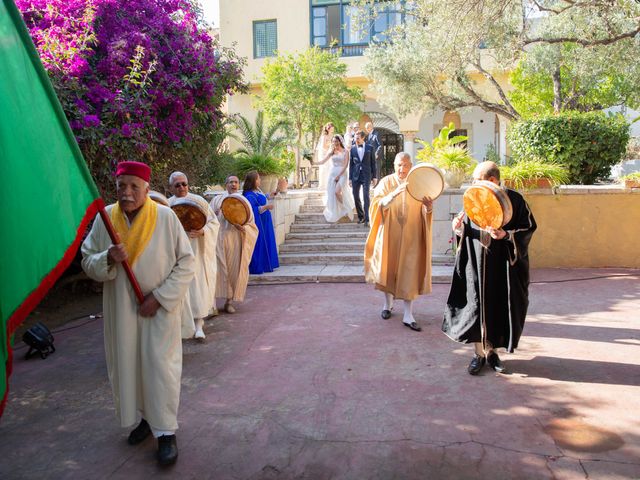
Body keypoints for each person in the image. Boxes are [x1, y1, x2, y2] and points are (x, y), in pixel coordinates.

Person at [81, 161, 195, 466]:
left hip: (157, 312)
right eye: (122, 186)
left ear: (146, 188)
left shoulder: (166, 217)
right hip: (122, 312)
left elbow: (186, 263)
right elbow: (86, 260)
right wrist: (108, 257)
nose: (127, 193)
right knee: (130, 367)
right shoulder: (105, 219)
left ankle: (166, 431)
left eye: (134, 186)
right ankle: (145, 420)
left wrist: (159, 298)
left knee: (160, 371)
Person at [442, 161, 537, 375]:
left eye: (478, 180)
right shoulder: (475, 196)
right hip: (476, 262)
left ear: (493, 180)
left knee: (497, 306)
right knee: (476, 306)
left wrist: (506, 235)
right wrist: (458, 229)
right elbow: (464, 223)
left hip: (502, 266)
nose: (474, 184)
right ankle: (478, 354)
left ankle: (493, 353)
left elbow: (528, 228)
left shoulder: (515, 200)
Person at [364, 152, 434, 332]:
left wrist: (429, 208)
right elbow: (376, 206)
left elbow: (425, 210)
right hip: (389, 233)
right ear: (394, 165)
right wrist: (391, 196)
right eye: (398, 165)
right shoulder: (386, 182)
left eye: (405, 165)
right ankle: (387, 305)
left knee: (409, 273)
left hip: (411, 235)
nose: (401, 169)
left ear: (411, 165)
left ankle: (408, 314)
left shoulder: (417, 184)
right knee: (388, 269)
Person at [168, 171, 220, 340]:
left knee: (197, 289)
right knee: (181, 290)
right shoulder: (166, 206)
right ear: (171, 188)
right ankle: (182, 327)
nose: (182, 187)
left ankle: (199, 325)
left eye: (184, 183)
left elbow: (214, 223)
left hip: (197, 252)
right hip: (176, 255)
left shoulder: (198, 201)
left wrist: (203, 231)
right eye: (177, 185)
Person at [210, 175, 259, 313]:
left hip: (235, 240)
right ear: (226, 184)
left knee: (233, 271)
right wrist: (214, 213)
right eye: (231, 182)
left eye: (236, 182)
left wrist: (244, 229)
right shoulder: (217, 200)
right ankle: (212, 305)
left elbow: (251, 225)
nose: (233, 184)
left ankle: (229, 302)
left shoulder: (244, 201)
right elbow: (208, 218)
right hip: (218, 239)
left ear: (239, 184)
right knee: (215, 271)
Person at [243, 171, 279, 274]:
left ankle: (268, 264)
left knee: (267, 241)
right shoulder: (248, 195)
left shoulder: (256, 190)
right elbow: (252, 210)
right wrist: (266, 207)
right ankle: (260, 265)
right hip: (259, 223)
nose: (260, 180)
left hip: (265, 221)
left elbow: (260, 198)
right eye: (258, 179)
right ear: (253, 181)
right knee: (260, 243)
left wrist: (269, 195)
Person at [313, 134, 355, 223]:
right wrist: (313, 162)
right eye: (333, 141)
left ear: (340, 141)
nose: (334, 143)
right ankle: (339, 212)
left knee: (337, 192)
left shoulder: (345, 151)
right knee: (333, 193)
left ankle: (345, 209)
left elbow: (346, 164)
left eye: (336, 141)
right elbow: (323, 161)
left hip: (342, 174)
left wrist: (339, 175)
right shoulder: (331, 152)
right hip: (332, 174)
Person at [349, 130, 378, 226]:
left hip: (366, 175)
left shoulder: (370, 148)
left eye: (357, 138)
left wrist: (374, 176)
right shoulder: (352, 149)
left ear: (363, 138)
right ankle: (361, 216)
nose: (355, 140)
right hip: (355, 175)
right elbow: (351, 165)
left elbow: (373, 163)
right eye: (355, 138)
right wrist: (350, 178)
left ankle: (367, 219)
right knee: (356, 196)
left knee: (366, 196)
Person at [315, 122, 335, 190]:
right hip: (323, 153)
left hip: (329, 153)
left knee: (330, 168)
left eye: (333, 129)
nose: (332, 130)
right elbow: (323, 146)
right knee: (324, 168)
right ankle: (322, 185)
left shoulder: (332, 136)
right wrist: (330, 146)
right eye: (331, 129)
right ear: (328, 129)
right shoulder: (324, 136)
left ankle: (328, 184)